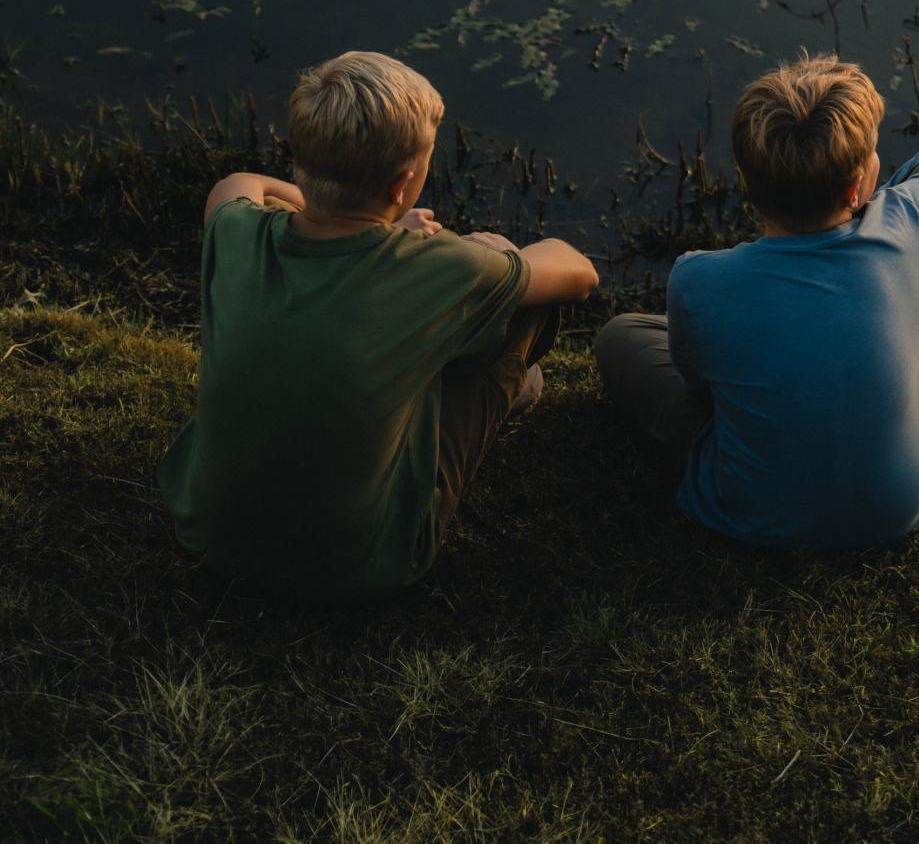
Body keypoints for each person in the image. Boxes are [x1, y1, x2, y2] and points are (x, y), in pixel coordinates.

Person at [158, 50, 598, 597]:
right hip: (364, 562)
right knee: (507, 262)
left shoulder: (237, 233)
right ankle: (510, 386)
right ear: (402, 183)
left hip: (209, 534)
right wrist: (436, 242)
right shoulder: (441, 269)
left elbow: (240, 181)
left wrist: (335, 208)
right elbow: (579, 274)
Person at [595, 51, 919, 550]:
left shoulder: (698, 279)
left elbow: (695, 382)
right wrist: (890, 201)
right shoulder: (911, 226)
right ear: (857, 186)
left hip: (751, 513)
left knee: (621, 335)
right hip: (904, 506)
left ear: (747, 183)